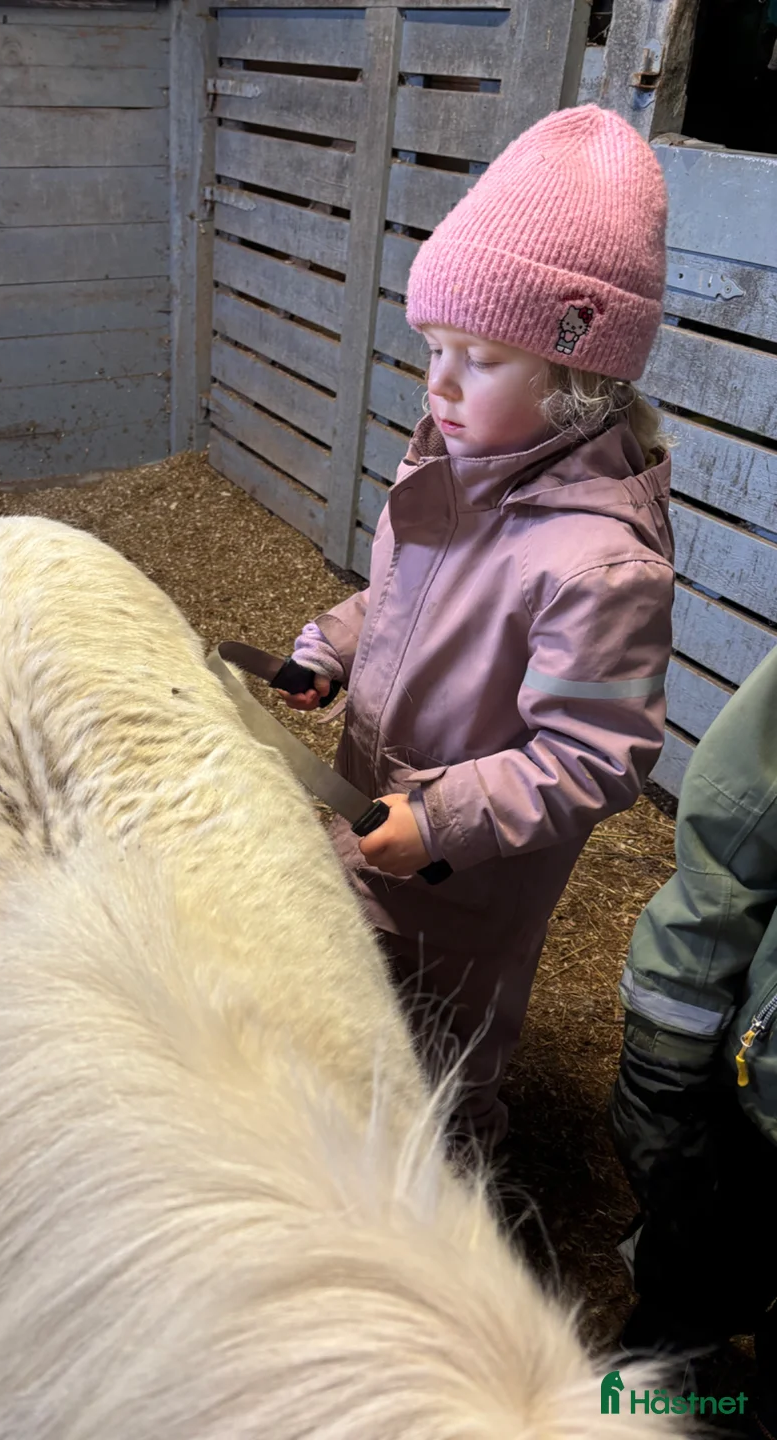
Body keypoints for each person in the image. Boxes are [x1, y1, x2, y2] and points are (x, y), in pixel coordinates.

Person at [283, 105, 675, 1148]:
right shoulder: (456, 471)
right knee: (356, 1009)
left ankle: (463, 1188)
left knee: (442, 1052)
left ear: (578, 372)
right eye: (435, 347)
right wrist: (329, 649)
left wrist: (443, 819)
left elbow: (595, 755)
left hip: (470, 875)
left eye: (483, 357)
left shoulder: (597, 563)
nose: (441, 382)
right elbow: (400, 599)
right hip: (377, 814)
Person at [610, 647, 777, 1439]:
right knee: (699, 1259)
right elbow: (735, 832)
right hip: (760, 1109)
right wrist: (665, 1050)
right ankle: (648, 1385)